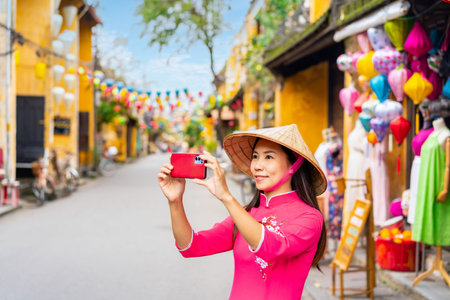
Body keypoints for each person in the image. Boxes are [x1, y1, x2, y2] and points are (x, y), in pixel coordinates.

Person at [158, 124, 327, 299]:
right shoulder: (247, 214)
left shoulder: (309, 217)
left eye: (269, 157)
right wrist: (175, 201)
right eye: (255, 157)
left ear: (294, 165)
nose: (257, 166)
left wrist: (227, 197)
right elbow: (191, 246)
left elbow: (270, 247)